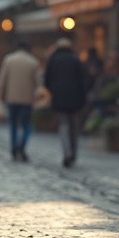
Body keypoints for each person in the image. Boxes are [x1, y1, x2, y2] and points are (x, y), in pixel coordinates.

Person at [0, 42, 42, 162]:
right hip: (27, 99)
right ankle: (22, 145)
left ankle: (14, 147)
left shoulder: (9, 60)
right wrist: (38, 98)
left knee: (14, 124)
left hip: (12, 98)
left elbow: (2, 79)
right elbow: (38, 83)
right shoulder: (33, 62)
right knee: (27, 124)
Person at [45, 39, 88, 168]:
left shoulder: (53, 60)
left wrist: (54, 91)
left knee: (63, 125)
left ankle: (67, 150)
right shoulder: (76, 59)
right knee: (74, 126)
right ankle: (73, 152)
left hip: (59, 98)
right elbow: (83, 81)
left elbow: (46, 80)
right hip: (75, 98)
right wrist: (83, 97)